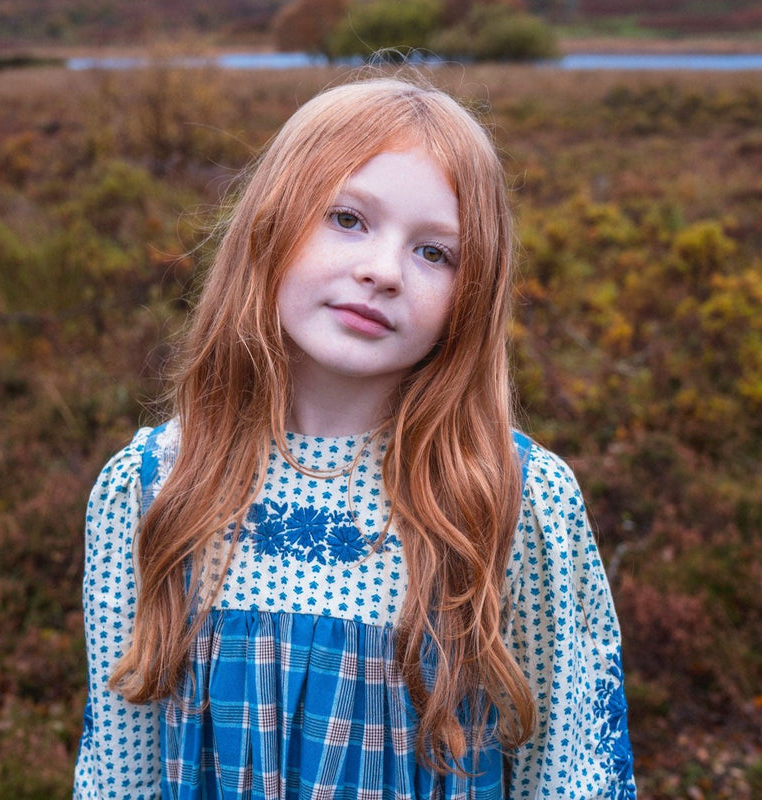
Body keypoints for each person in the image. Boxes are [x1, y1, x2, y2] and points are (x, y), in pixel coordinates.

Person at [74, 76, 635, 799]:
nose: (382, 270)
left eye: (436, 253)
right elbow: (118, 764)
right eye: (347, 218)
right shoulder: (155, 484)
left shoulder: (512, 501)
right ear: (271, 225)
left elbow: (573, 768)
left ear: (474, 293)